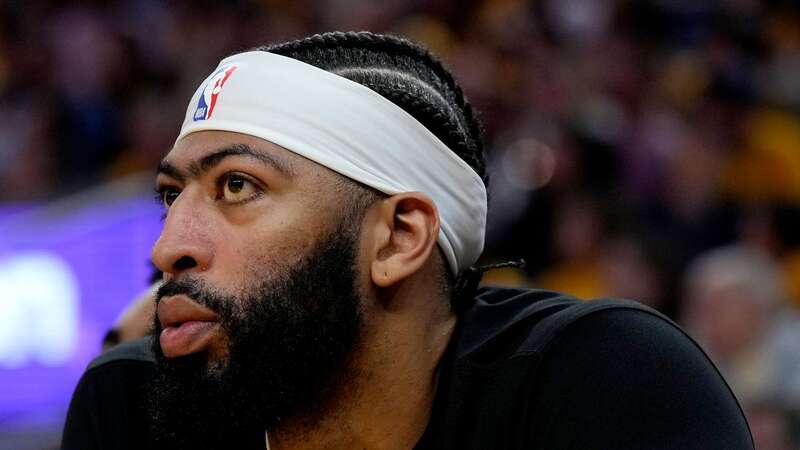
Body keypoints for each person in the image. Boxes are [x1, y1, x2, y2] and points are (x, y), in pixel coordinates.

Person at [61, 31, 754, 450]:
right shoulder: (134, 406)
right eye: (170, 196)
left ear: (397, 237)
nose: (165, 249)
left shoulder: (601, 380)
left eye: (237, 186)